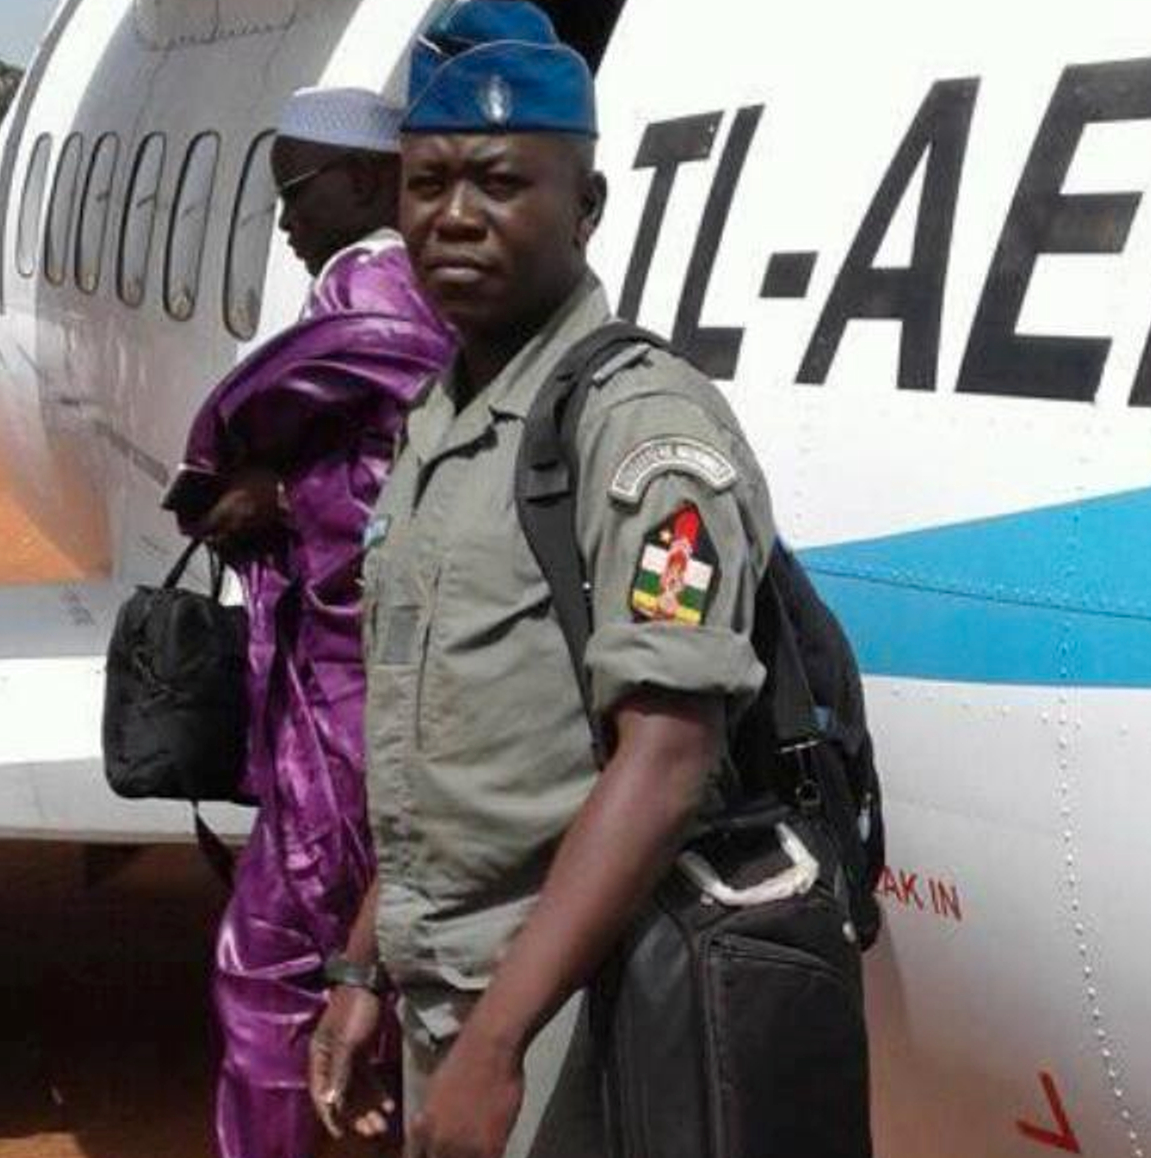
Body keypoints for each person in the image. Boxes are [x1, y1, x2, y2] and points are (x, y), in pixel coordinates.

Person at [309, 6, 778, 1156]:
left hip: (570, 1018)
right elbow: (434, 742)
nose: (455, 217)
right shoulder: (443, 418)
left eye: (501, 182)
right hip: (449, 998)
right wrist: (367, 961)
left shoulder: (639, 428)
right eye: (427, 184)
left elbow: (666, 758)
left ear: (586, 205)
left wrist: (495, 1043)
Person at [170, 85, 454, 1158]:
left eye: (296, 190)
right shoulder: (444, 290)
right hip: (400, 696)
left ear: (369, 180)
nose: (285, 217)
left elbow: (375, 500)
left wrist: (264, 492)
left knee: (267, 966)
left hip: (343, 705)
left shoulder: (369, 291)